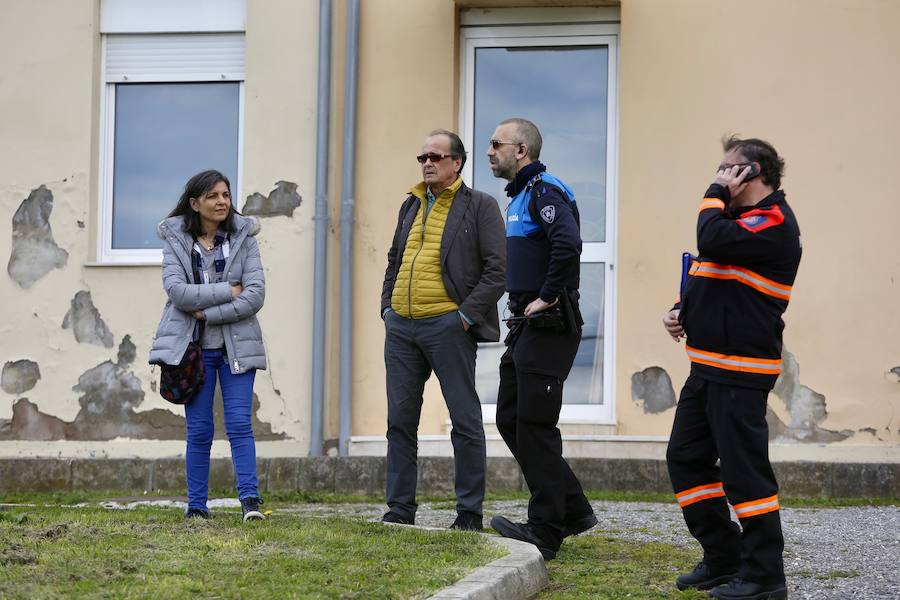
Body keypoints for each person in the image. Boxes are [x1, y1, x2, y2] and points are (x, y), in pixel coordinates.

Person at [662, 137, 800, 600]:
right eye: (720, 170)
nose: (721, 176)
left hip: (740, 371)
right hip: (707, 368)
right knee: (685, 458)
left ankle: (765, 577)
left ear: (752, 173)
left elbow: (712, 240)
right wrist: (681, 310)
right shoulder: (738, 222)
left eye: (729, 169)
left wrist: (713, 193)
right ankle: (724, 557)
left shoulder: (772, 221)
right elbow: (716, 273)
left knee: (745, 473)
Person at [380, 129, 506, 530]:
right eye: (422, 158)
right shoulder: (410, 204)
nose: (427, 163)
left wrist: (464, 316)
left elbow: (497, 270)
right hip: (402, 326)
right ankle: (400, 509)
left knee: (464, 420)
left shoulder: (480, 205)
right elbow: (394, 260)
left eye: (435, 156)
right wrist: (387, 308)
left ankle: (468, 512)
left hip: (448, 326)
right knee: (400, 421)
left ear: (457, 162)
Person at [485, 118, 597, 560]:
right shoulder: (520, 196)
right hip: (526, 327)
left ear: (522, 150)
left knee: (534, 426)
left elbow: (568, 245)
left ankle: (546, 529)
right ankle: (573, 509)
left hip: (550, 326)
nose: (490, 151)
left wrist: (547, 297)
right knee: (511, 418)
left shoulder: (545, 191)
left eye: (497, 144)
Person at [149, 169, 268, 522]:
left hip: (237, 348)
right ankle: (197, 507)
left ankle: (250, 503)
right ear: (195, 203)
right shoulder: (176, 240)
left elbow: (255, 295)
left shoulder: (245, 239)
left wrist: (207, 314)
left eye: (226, 195)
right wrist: (228, 290)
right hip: (194, 351)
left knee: (239, 426)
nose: (221, 202)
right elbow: (178, 293)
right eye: (213, 196)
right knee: (199, 430)